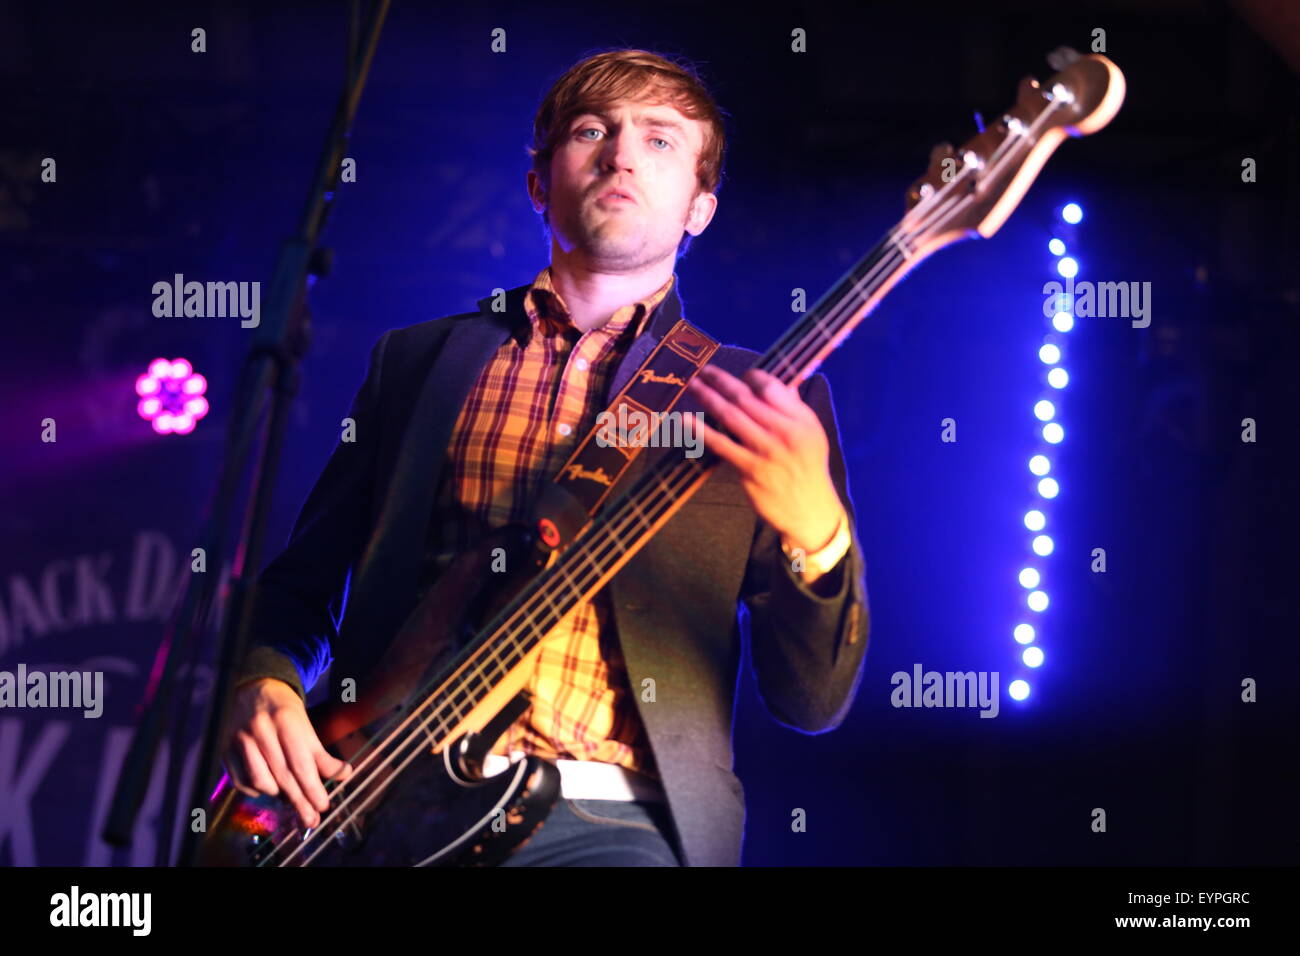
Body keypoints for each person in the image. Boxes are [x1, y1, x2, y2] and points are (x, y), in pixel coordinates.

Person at [223, 47, 869, 867]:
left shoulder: (759, 396)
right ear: (538, 183)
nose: (622, 153)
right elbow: (299, 586)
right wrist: (263, 679)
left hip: (612, 823)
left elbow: (810, 700)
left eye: (661, 139)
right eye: (593, 129)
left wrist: (818, 534)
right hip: (367, 806)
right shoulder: (417, 362)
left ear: (700, 209)